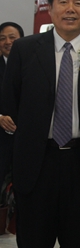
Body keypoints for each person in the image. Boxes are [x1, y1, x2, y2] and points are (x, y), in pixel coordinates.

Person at [1, 0, 80, 247]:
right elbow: (10, 105)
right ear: (50, 8)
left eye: (79, 2)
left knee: (76, 240)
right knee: (33, 240)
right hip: (36, 164)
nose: (70, 9)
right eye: (63, 1)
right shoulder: (25, 49)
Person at [0, 22, 24, 187]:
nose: (7, 42)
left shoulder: (33, 65)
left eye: (12, 37)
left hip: (26, 138)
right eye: (2, 38)